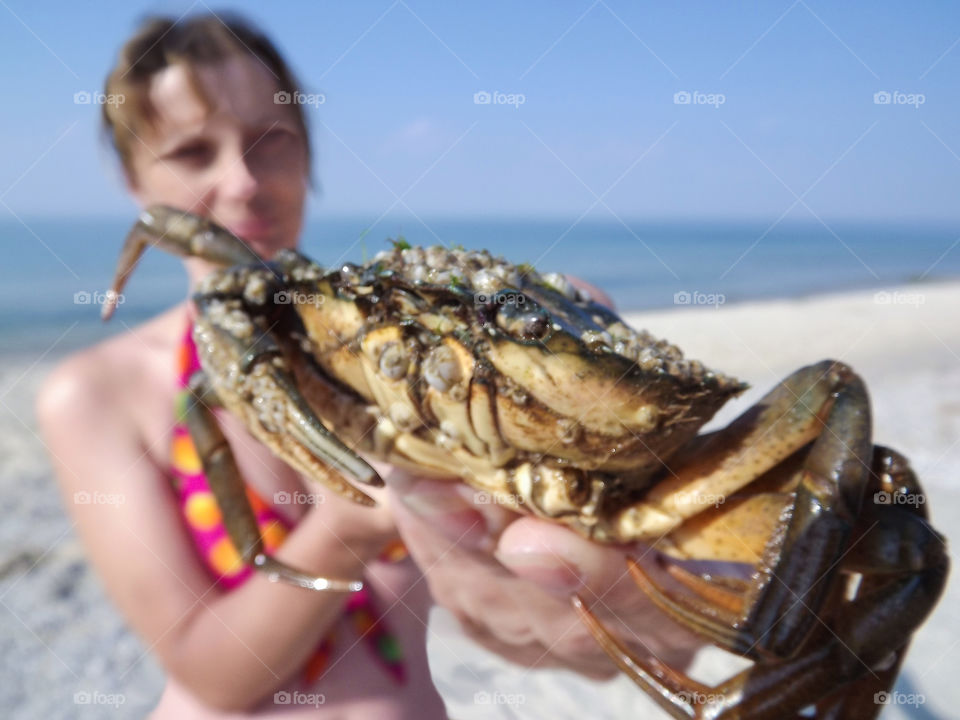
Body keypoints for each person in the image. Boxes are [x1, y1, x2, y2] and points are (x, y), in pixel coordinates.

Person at [36, 11, 699, 719]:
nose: (243, 182)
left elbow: (508, 611)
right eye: (194, 152)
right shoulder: (96, 393)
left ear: (309, 155)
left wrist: (598, 599)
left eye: (272, 142)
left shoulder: (387, 347)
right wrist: (352, 526)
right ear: (135, 181)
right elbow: (211, 675)